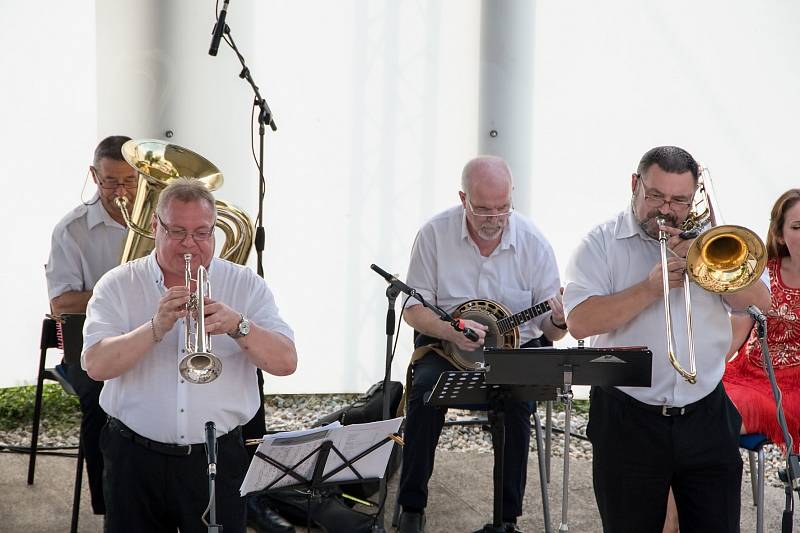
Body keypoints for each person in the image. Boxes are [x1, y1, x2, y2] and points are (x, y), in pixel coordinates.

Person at [563, 145, 771, 533]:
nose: (666, 209)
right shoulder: (601, 243)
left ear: (693, 199)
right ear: (634, 185)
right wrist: (648, 289)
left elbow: (761, 302)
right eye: (655, 195)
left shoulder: (714, 241)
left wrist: (703, 259)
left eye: (679, 200)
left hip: (705, 411)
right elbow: (579, 322)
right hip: (627, 416)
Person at [82, 178, 297, 533]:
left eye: (202, 233)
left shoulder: (245, 284)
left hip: (216, 459)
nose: (190, 245)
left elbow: (286, 363)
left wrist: (238, 325)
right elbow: (95, 366)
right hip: (134, 458)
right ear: (155, 227)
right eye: (177, 232)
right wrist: (156, 326)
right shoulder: (118, 284)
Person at [395, 155, 567, 533]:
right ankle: (411, 508)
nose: (494, 218)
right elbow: (412, 308)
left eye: (503, 208)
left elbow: (551, 334)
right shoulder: (434, 235)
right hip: (446, 347)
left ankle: (506, 520)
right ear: (463, 198)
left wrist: (557, 320)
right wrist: (448, 329)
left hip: (516, 351)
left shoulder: (534, 243)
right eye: (483, 209)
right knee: (424, 393)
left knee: (518, 407)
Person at [45, 134, 136, 516]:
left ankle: (235, 497)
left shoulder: (161, 218)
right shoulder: (72, 230)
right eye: (110, 181)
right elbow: (59, 303)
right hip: (90, 340)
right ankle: (111, 506)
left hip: (157, 330)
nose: (120, 191)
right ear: (93, 176)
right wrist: (115, 288)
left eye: (130, 181)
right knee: (102, 403)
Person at [723, 189, 800, 449]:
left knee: (712, 424)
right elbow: (736, 335)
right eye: (797, 226)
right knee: (691, 412)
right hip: (747, 375)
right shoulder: (764, 273)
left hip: (794, 388)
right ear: (780, 235)